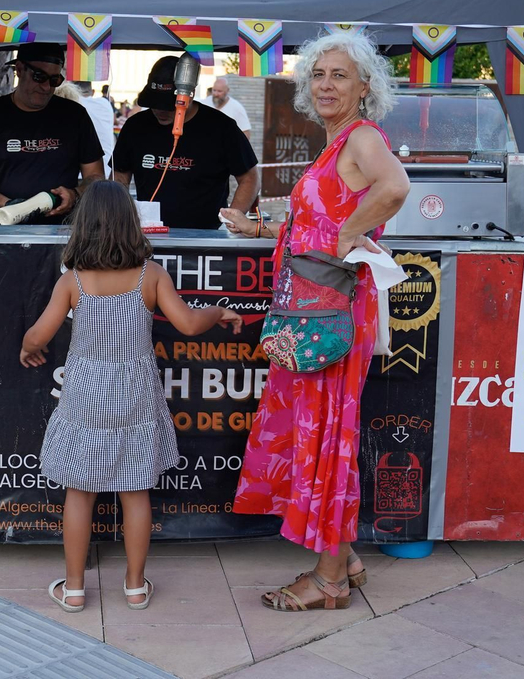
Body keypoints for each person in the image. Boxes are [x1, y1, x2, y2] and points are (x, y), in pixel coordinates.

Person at [221, 32, 409, 612]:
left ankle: (327, 579)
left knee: (329, 438)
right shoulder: (334, 145)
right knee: (323, 434)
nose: (326, 84)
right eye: (318, 75)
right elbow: (314, 224)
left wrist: (353, 232)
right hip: (309, 311)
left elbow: (395, 187)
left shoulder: (362, 137)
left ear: (364, 87)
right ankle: (344, 557)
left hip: (331, 312)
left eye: (339, 75)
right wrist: (260, 230)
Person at [21, 181, 242, 612]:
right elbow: (190, 325)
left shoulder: (73, 282)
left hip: (86, 393)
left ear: (82, 228)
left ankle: (74, 588)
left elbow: (40, 333)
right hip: (134, 393)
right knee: (135, 490)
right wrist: (218, 310)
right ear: (131, 225)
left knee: (79, 492)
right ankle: (135, 586)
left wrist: (29, 346)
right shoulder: (150, 276)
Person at [0, 43, 104, 224]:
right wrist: (14, 206)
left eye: (54, 80)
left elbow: (95, 177)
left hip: (61, 233)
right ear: (19, 69)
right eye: (39, 77)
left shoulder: (75, 115)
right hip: (1, 234)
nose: (46, 87)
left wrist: (75, 194)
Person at [112, 57, 258, 230]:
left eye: (168, 105)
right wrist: (118, 216)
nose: (160, 110)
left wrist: (232, 221)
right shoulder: (135, 125)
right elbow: (119, 175)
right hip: (146, 233)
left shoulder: (221, 127)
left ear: (189, 95)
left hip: (206, 236)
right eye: (154, 103)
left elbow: (249, 178)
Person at [73, 80, 116, 169]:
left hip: (81, 172)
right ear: (92, 92)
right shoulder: (105, 103)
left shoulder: (73, 104)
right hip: (107, 167)